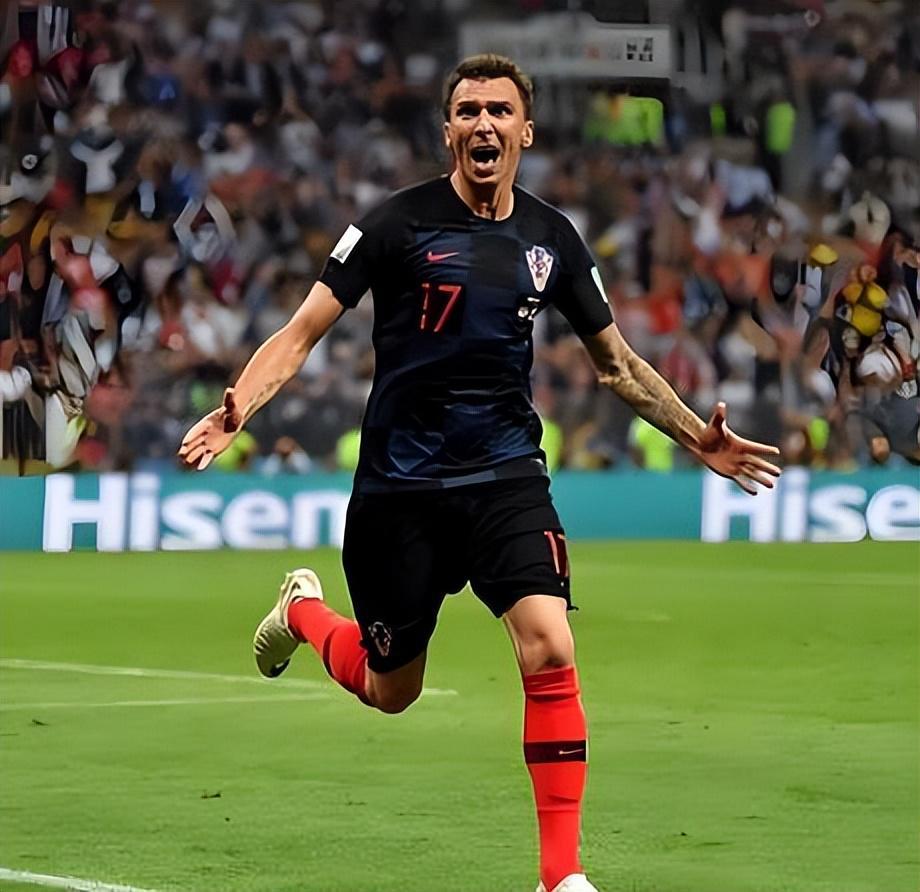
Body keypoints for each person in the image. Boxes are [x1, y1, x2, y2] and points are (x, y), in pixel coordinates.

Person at [178, 54, 782, 892]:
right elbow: (302, 331)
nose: (484, 124)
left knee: (550, 645)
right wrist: (239, 405)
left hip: (505, 477)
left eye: (500, 111)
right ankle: (303, 612)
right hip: (401, 491)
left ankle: (560, 876)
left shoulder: (551, 238)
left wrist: (694, 436)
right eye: (469, 112)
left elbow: (616, 364)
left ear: (525, 131)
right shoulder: (394, 225)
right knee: (392, 691)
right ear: (449, 132)